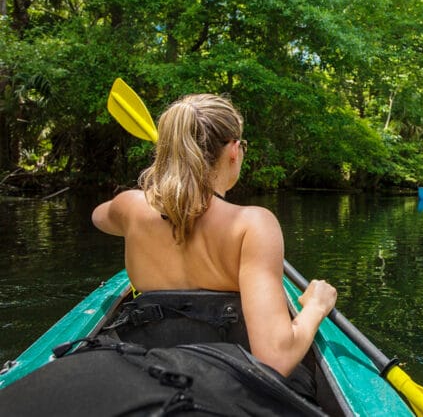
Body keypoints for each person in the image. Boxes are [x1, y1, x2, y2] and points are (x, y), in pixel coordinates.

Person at [92, 93, 337, 379]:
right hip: (224, 380)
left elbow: (98, 217)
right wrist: (317, 306)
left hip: (147, 369)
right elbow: (275, 360)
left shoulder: (130, 207)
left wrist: (156, 197)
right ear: (234, 150)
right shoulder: (253, 225)